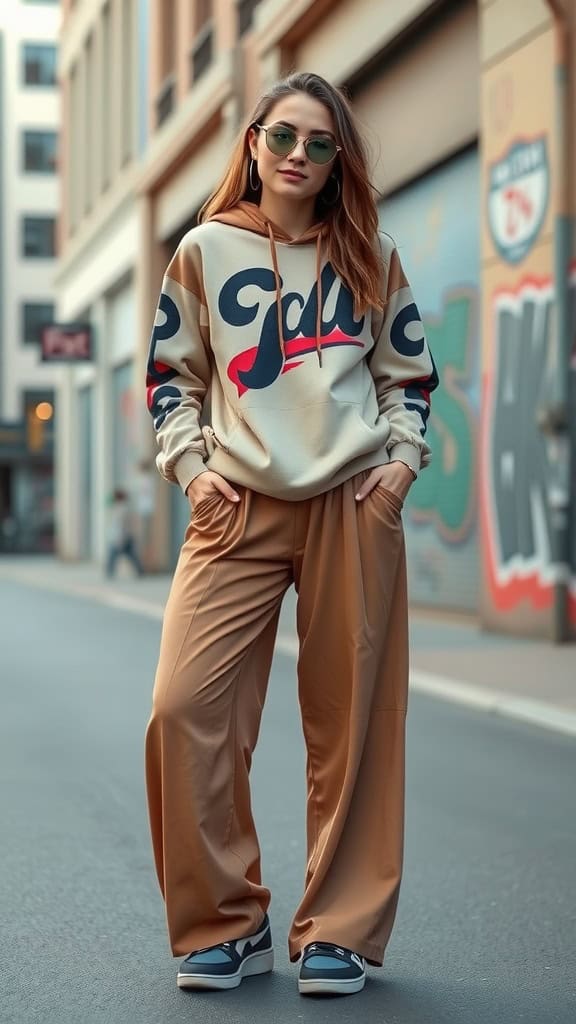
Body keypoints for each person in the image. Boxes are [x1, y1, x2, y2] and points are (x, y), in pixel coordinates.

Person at [144, 71, 438, 997]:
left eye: (320, 143)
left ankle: (338, 930)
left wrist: (399, 466)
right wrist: (193, 474)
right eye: (283, 137)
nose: (298, 157)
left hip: (354, 499)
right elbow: (170, 376)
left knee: (353, 721)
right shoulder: (203, 249)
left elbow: (410, 378)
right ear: (254, 143)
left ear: (339, 158)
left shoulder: (371, 253)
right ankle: (226, 922)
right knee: (183, 708)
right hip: (234, 502)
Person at [105, 487, 143, 578]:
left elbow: (120, 526)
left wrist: (120, 538)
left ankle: (109, 572)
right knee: (131, 556)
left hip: (121, 537)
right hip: (125, 536)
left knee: (114, 555)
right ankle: (140, 571)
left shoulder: (120, 509)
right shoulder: (124, 508)